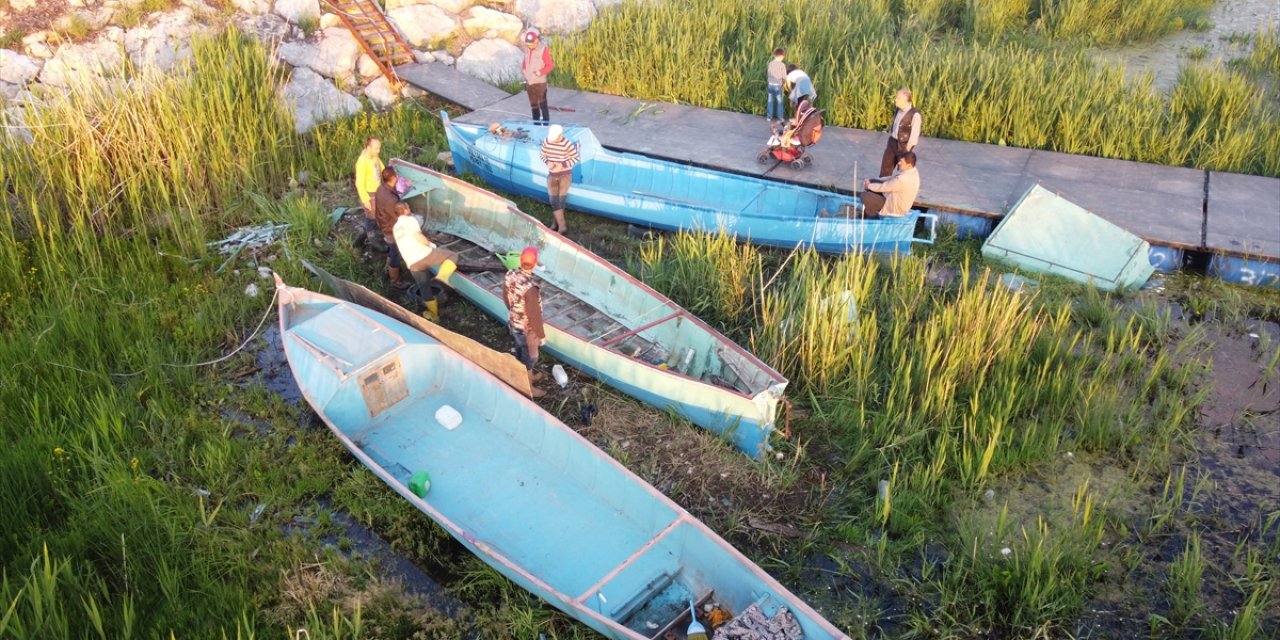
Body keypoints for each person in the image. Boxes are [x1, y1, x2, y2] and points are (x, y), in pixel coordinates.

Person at [391, 202, 460, 321]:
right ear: (406, 210)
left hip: (412, 263)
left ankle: (434, 316)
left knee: (425, 289)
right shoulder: (410, 220)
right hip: (424, 254)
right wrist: (430, 244)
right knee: (452, 255)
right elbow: (417, 235)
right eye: (408, 207)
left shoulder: (395, 227)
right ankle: (443, 277)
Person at [504, 246, 547, 398]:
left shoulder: (510, 274)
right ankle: (527, 385)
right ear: (535, 264)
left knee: (520, 350)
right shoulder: (531, 289)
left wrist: (514, 312)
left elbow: (506, 296)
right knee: (531, 356)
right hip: (526, 329)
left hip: (513, 323)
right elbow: (534, 316)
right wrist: (541, 336)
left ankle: (527, 375)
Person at [539, 124, 579, 234]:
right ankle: (562, 226)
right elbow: (542, 155)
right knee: (553, 200)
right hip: (552, 174)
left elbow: (575, 158)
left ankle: (556, 224)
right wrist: (548, 162)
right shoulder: (547, 141)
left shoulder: (567, 144)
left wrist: (563, 164)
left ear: (560, 134)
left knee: (560, 200)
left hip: (565, 175)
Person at [373, 166, 408, 289]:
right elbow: (396, 217)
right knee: (395, 253)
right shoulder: (391, 199)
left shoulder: (381, 188)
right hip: (391, 229)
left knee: (391, 250)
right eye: (396, 175)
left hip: (383, 224)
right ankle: (395, 280)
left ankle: (388, 271)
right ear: (394, 178)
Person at [859, 151, 920, 219]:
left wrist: (868, 186)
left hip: (894, 207)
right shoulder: (911, 171)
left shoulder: (903, 179)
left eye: (901, 162)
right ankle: (870, 208)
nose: (899, 163)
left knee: (864, 196)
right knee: (873, 182)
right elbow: (891, 178)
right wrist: (872, 180)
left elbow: (884, 187)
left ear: (909, 164)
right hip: (893, 196)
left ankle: (873, 216)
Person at [354, 137, 387, 251]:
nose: (378, 151)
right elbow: (359, 183)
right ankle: (373, 242)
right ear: (368, 148)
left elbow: (382, 168)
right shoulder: (362, 162)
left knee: (373, 217)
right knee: (371, 219)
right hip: (369, 194)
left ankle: (358, 242)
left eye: (379, 148)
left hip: (376, 191)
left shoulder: (374, 156)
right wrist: (365, 200)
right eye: (376, 148)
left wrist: (389, 174)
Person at [880, 88, 922, 178]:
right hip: (892, 142)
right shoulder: (898, 110)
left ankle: (900, 188)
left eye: (897, 98)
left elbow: (914, 135)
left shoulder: (915, 115)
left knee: (903, 171)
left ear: (905, 98)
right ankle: (881, 187)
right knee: (885, 167)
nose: (895, 100)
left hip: (904, 145)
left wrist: (907, 150)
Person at [521, 28, 554, 125]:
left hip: (540, 83)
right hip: (529, 83)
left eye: (531, 44)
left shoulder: (543, 50)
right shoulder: (526, 49)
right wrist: (524, 70)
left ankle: (546, 124)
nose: (529, 46)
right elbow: (524, 62)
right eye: (528, 44)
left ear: (536, 40)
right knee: (533, 105)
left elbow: (550, 65)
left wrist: (540, 72)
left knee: (543, 105)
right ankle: (536, 124)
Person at [766, 48, 786, 122]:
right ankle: (780, 117)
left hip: (770, 84)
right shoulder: (782, 65)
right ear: (781, 56)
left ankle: (769, 116)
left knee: (770, 100)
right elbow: (784, 76)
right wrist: (784, 82)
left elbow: (768, 74)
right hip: (778, 85)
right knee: (779, 101)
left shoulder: (770, 64)